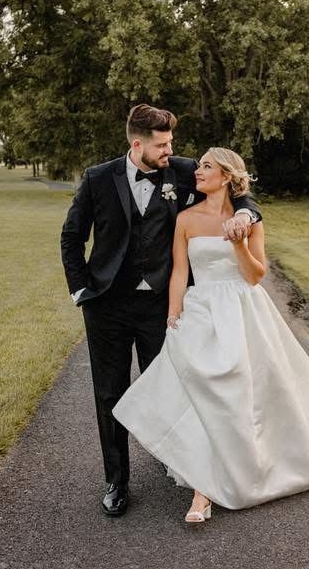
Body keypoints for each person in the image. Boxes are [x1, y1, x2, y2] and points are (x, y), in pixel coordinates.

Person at [60, 105, 262, 517]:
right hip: (108, 307)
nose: (171, 150)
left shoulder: (183, 170)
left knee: (174, 386)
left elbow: (237, 186)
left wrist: (245, 212)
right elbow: (71, 235)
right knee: (110, 392)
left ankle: (179, 461)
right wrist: (81, 289)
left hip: (161, 306)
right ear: (138, 144)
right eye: (162, 144)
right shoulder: (99, 179)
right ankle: (117, 480)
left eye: (171, 142)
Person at [113, 147, 309, 522]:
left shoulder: (248, 220)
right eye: (198, 165)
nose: (197, 171)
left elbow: (255, 275)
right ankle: (203, 491)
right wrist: (173, 315)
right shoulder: (185, 219)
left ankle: (248, 466)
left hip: (244, 311)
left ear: (227, 176)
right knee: (203, 390)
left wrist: (239, 243)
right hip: (201, 310)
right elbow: (180, 271)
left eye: (206, 166)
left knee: (243, 393)